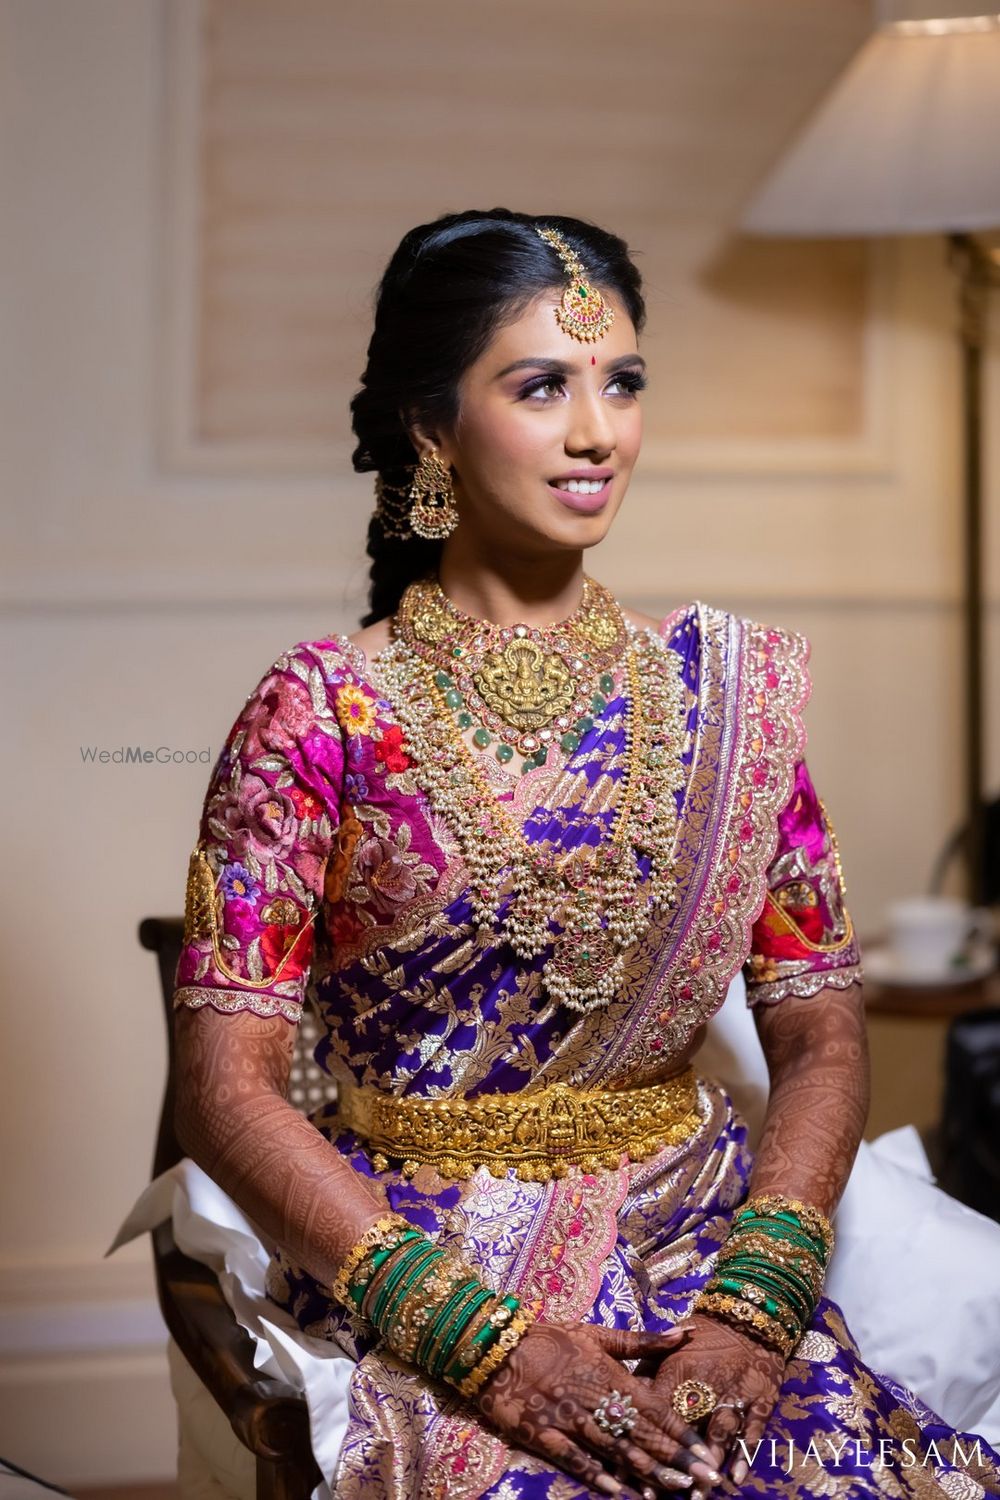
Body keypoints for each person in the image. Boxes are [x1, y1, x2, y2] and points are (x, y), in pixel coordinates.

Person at [171, 209, 1000, 1500]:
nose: (598, 430)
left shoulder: (727, 697)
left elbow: (825, 1036)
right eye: (541, 385)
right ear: (433, 428)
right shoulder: (321, 713)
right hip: (425, 1263)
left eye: (622, 382)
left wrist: (758, 1303)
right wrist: (479, 1346)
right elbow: (229, 1089)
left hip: (705, 1245)